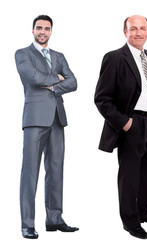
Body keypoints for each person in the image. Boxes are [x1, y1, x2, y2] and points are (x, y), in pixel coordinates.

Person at [94, 15, 147, 239]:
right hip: (131, 124)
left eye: (142, 28)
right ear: (125, 32)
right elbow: (102, 99)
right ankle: (130, 221)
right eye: (133, 29)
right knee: (130, 176)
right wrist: (126, 123)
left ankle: (145, 211)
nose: (138, 33)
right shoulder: (115, 58)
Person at [15, 14, 79, 239]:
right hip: (34, 119)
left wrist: (52, 86)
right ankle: (27, 224)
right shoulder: (23, 54)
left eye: (47, 28)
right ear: (33, 30)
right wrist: (57, 79)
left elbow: (73, 82)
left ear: (51, 31)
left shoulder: (59, 55)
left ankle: (54, 219)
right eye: (39, 28)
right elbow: (32, 77)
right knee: (30, 173)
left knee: (55, 171)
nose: (43, 31)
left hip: (57, 119)